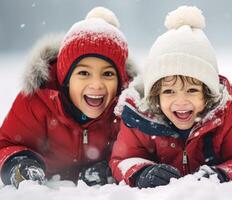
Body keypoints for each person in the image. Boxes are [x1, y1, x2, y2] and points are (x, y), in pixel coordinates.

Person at [109, 6, 232, 189]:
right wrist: (141, 172)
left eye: (192, 90)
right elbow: (122, 160)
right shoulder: (140, 118)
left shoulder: (228, 113)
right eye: (169, 91)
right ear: (155, 95)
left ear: (207, 93)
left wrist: (223, 174)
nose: (181, 101)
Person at [0, 7, 136, 188]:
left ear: (120, 81)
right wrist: (19, 163)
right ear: (65, 77)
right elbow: (6, 144)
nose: (97, 84)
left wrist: (108, 167)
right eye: (84, 73)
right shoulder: (37, 100)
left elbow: (140, 149)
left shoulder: (125, 109)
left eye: (108, 74)